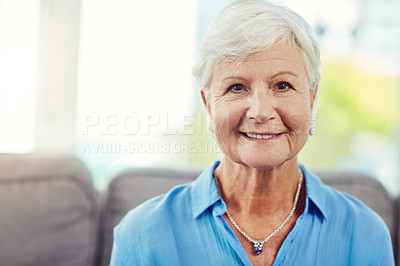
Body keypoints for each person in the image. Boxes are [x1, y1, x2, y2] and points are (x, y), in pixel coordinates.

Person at [109, 0, 395, 265]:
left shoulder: (365, 235)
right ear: (209, 104)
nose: (260, 111)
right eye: (236, 87)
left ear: (311, 98)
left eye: (282, 85)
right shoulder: (142, 235)